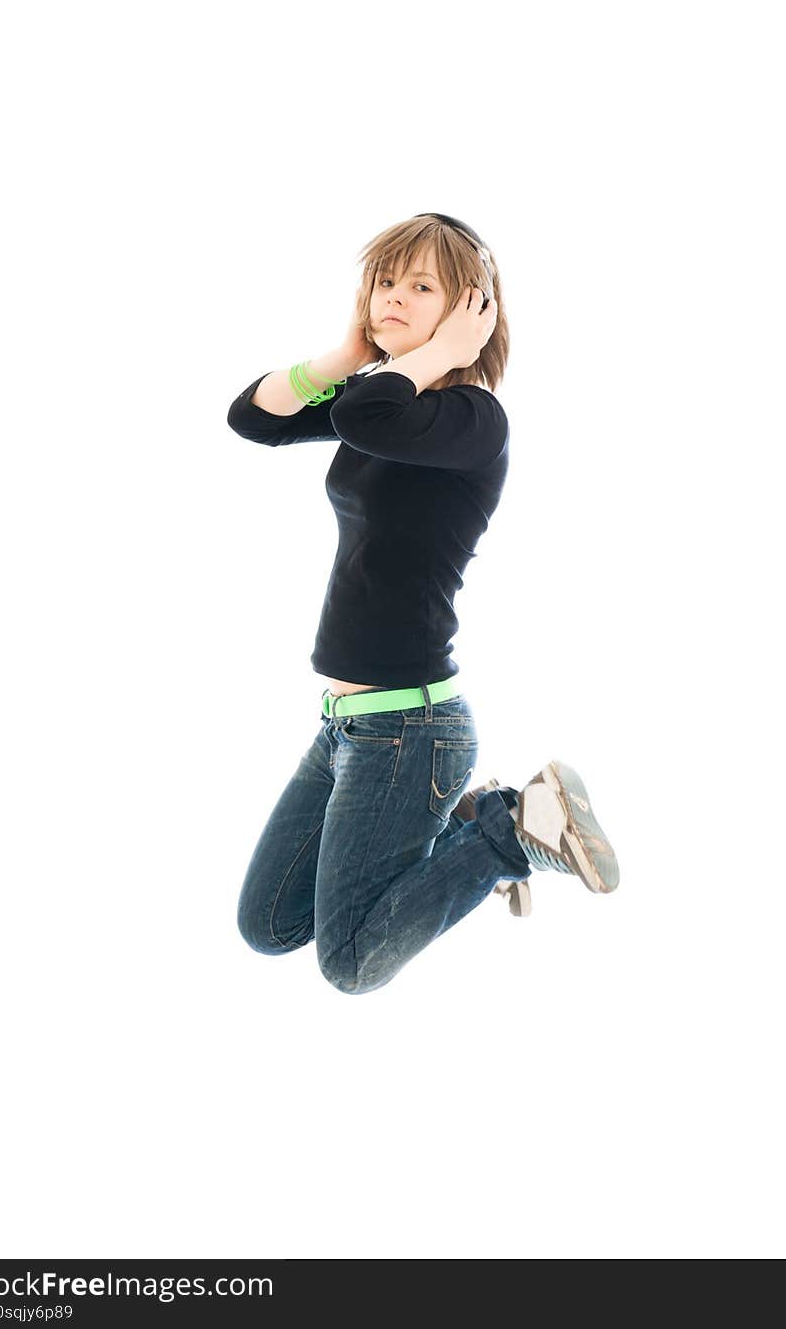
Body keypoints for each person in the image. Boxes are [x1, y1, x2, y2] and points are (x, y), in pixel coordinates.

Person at [227, 212, 620, 995]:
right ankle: (476, 821)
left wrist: (443, 356)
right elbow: (253, 418)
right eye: (383, 282)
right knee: (268, 924)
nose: (392, 298)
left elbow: (359, 413)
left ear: (472, 311)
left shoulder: (471, 420)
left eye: (420, 285)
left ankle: (510, 835)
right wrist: (348, 353)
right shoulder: (387, 413)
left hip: (413, 730)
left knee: (352, 963)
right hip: (348, 726)